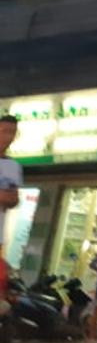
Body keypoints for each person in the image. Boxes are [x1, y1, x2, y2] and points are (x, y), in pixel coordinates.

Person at [0, 114, 21, 298]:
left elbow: (13, 199)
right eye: (4, 131)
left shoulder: (12, 166)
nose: (8, 136)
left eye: (12, 132)